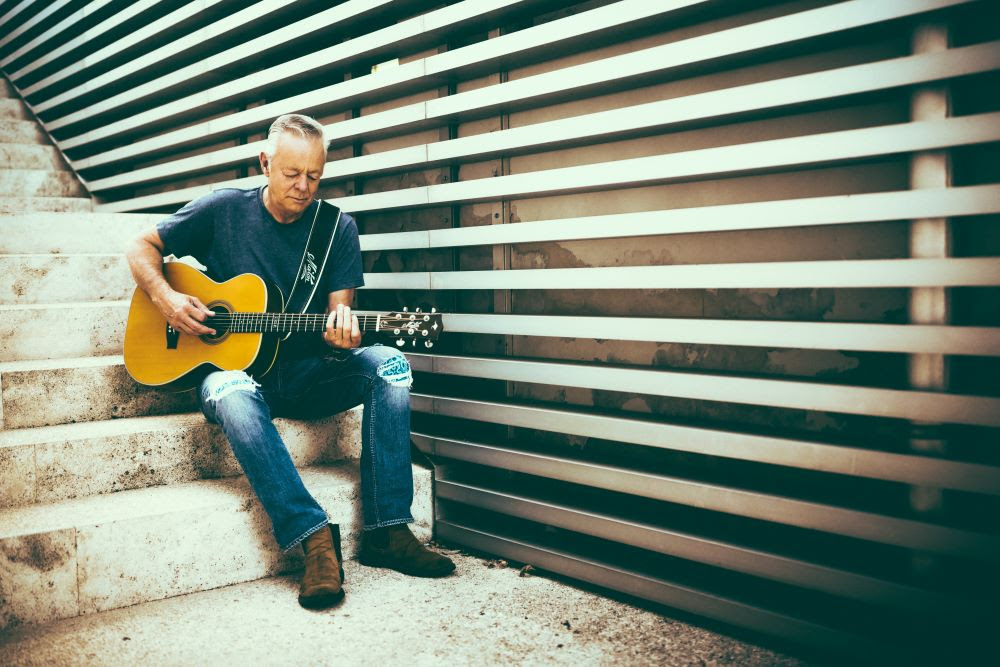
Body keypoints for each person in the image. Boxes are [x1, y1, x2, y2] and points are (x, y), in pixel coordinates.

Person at [125, 113, 454, 610]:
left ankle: (388, 529)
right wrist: (168, 298)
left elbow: (339, 314)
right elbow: (141, 244)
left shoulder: (335, 228)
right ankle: (313, 538)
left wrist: (343, 334)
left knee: (389, 363)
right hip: (232, 375)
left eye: (315, 176)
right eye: (291, 173)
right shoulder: (223, 210)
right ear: (265, 163)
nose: (303, 187)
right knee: (234, 394)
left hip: (306, 375)